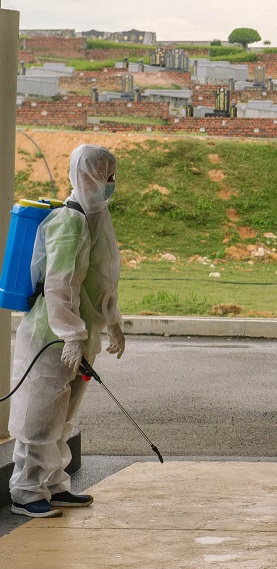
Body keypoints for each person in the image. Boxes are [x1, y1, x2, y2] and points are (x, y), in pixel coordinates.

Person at [8, 144, 126, 518]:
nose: (110, 184)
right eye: (105, 176)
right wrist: (71, 334)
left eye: (112, 176)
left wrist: (113, 321)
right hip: (51, 337)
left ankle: (55, 484)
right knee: (40, 416)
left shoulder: (97, 217)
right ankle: (26, 491)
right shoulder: (69, 220)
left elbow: (101, 279)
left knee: (64, 415)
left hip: (80, 334)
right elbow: (59, 286)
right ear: (88, 176)